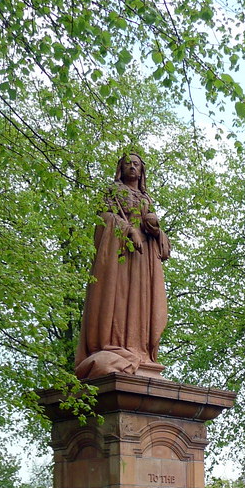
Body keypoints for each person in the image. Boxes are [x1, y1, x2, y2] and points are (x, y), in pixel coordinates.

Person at [75, 152, 171, 379]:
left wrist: (155, 229)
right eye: (127, 163)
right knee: (118, 300)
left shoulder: (146, 199)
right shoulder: (113, 192)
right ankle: (116, 346)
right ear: (120, 168)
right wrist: (126, 230)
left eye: (136, 164)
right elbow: (103, 220)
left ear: (142, 170)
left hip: (143, 260)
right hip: (119, 260)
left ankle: (140, 352)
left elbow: (163, 246)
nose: (132, 167)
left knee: (141, 304)